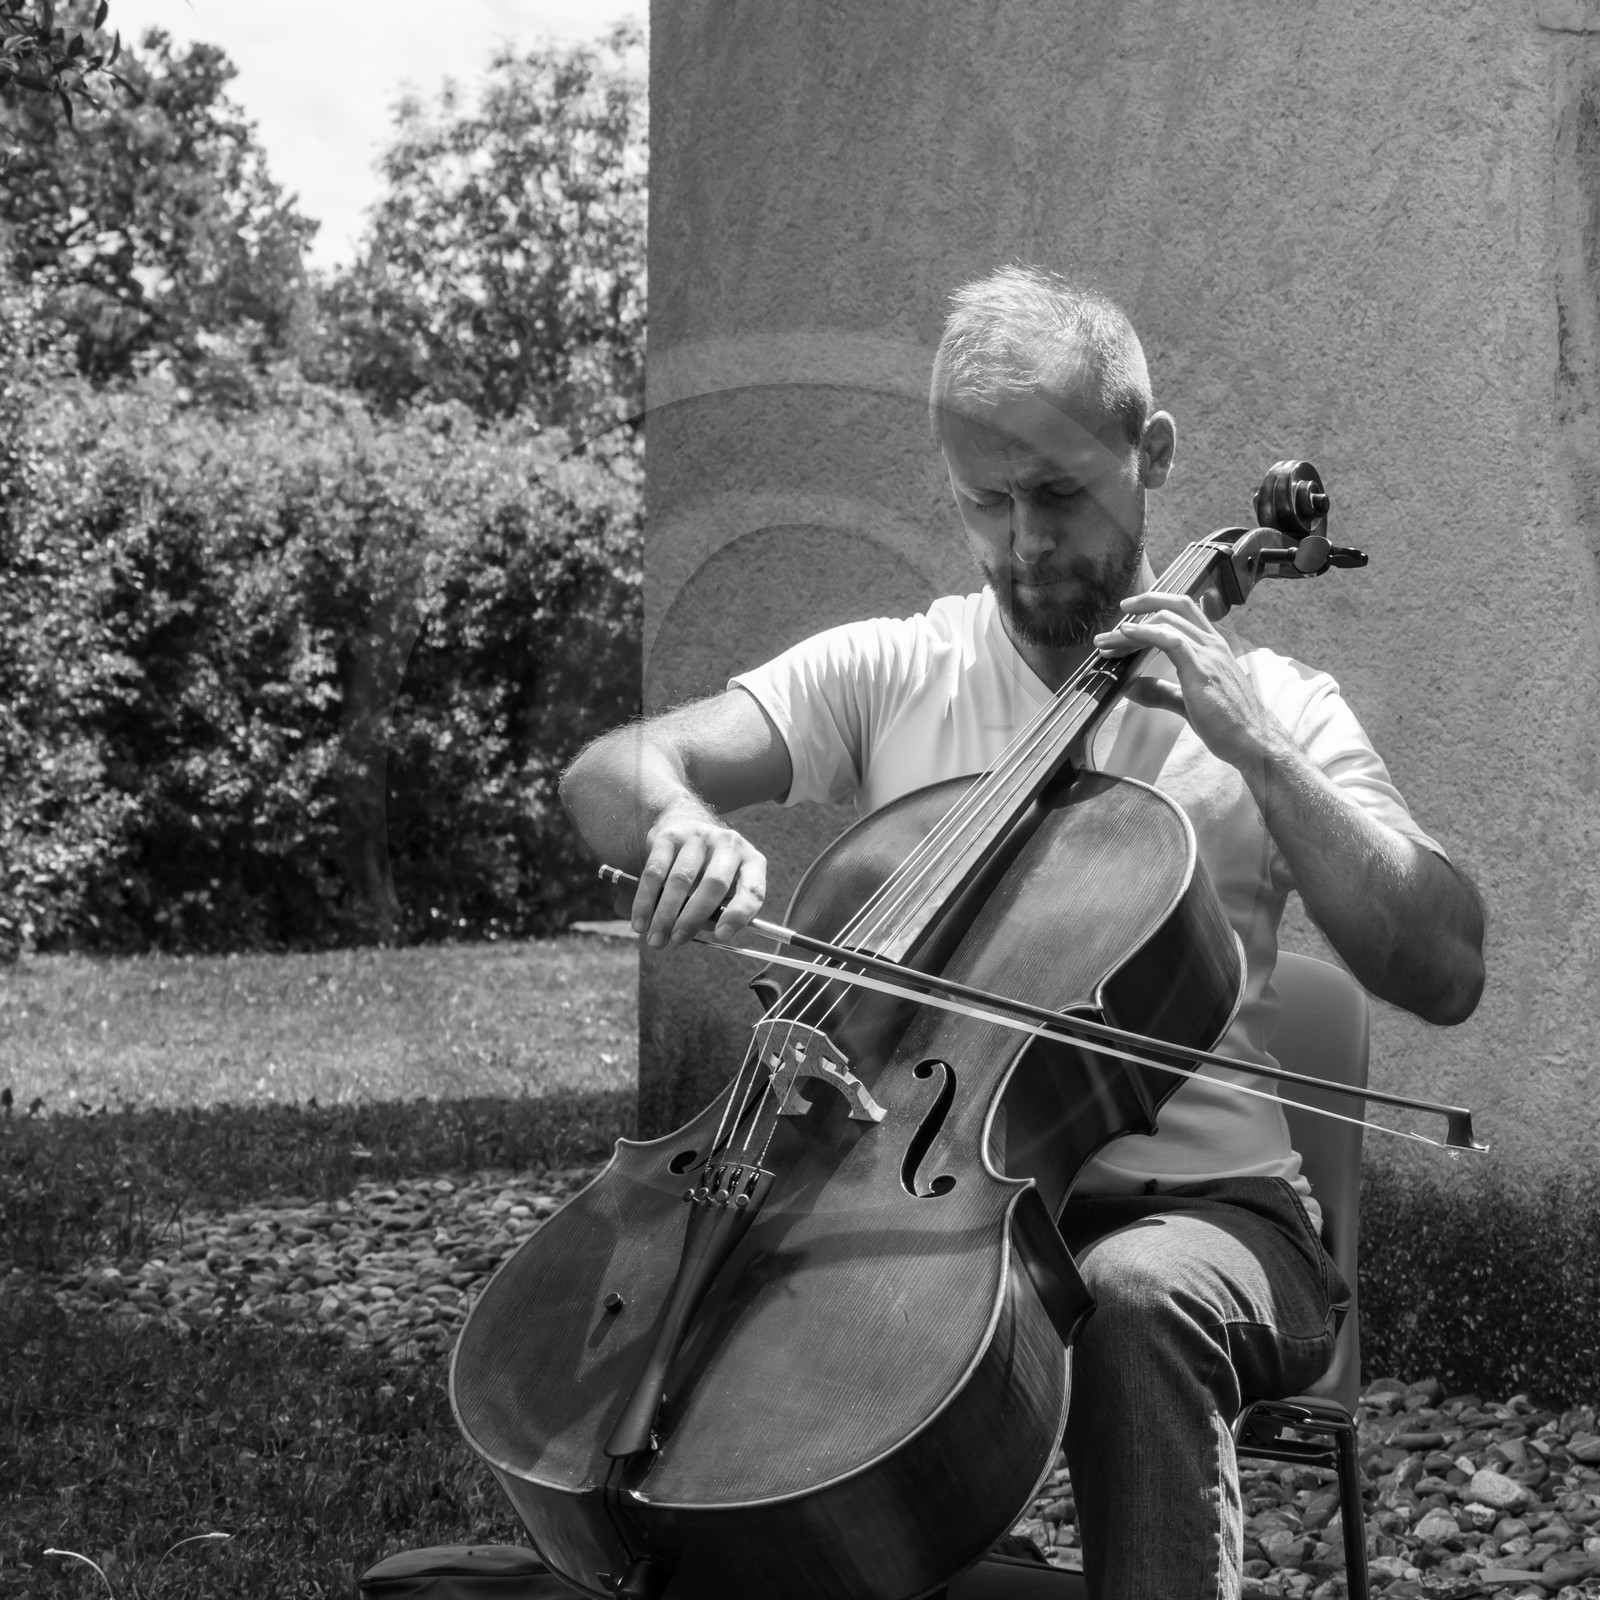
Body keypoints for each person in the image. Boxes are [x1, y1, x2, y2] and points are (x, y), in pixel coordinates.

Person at [559, 264, 1485, 1600]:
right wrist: (676, 823)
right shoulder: (894, 668)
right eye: (982, 503)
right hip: (914, 1211)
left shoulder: (1272, 705)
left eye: (1057, 494)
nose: (1023, 545)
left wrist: (1258, 753)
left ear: (1149, 452)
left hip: (1202, 1215)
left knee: (1136, 1301)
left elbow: (1445, 962)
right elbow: (615, 770)